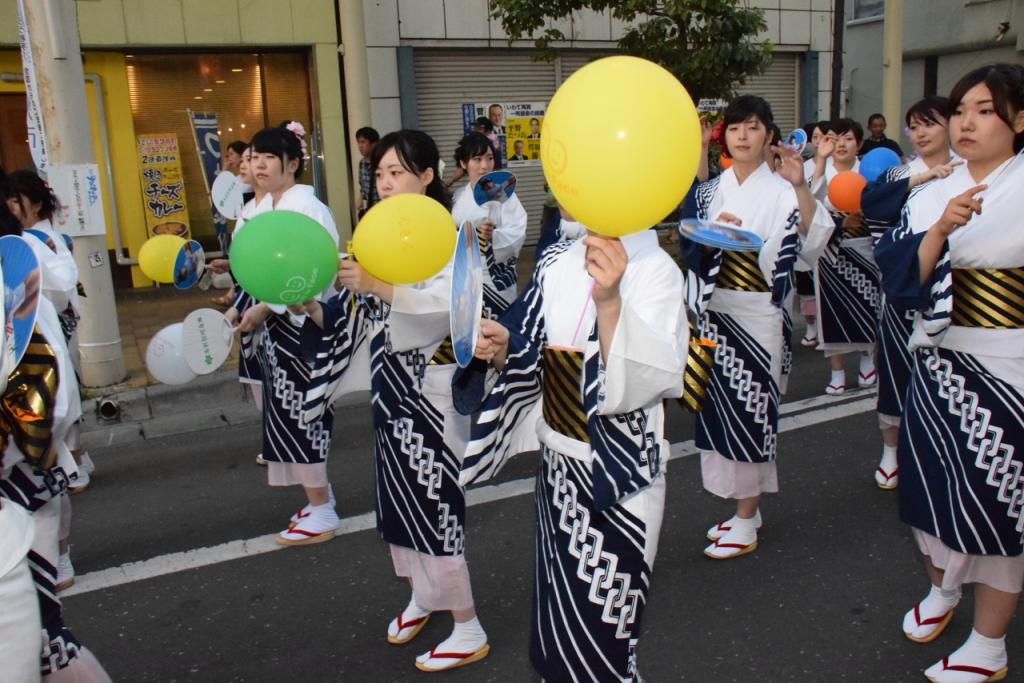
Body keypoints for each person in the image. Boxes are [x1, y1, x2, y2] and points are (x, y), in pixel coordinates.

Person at [452, 176, 687, 679]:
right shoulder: (558, 260)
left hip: (620, 475)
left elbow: (655, 375)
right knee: (558, 626)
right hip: (559, 463)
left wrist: (610, 302)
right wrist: (503, 348)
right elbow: (528, 341)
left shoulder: (656, 269)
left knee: (607, 631)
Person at [302, 129, 488, 673]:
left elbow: (457, 311)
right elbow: (353, 320)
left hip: (432, 395)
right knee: (397, 504)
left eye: (398, 173)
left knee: (434, 504)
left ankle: (467, 622)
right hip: (390, 391)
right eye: (380, 174)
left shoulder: (455, 235)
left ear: (428, 176)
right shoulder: (374, 236)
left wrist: (381, 287)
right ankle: (422, 594)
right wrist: (311, 306)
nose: (386, 183)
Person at [875, 62, 1024, 683]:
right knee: (928, 489)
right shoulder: (934, 187)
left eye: (984, 110)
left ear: (1019, 121)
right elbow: (896, 270)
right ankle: (943, 589)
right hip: (936, 364)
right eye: (960, 108)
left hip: (1008, 367)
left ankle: (989, 644)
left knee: (997, 499)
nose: (965, 121)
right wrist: (938, 228)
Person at [680, 95, 833, 560]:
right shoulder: (711, 191)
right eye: (734, 129)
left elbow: (813, 244)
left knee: (751, 414)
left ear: (769, 135)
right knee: (716, 415)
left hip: (758, 314)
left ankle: (747, 517)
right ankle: (744, 507)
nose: (742, 136)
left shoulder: (786, 188)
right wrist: (711, 241)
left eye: (752, 128)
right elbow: (690, 250)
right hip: (713, 312)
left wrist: (802, 186)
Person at [230, 121, 343, 545]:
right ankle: (317, 498)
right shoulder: (267, 207)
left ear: (293, 163)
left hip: (302, 328)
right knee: (284, 417)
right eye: (254, 157)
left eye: (268, 157)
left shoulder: (306, 208)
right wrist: (245, 306)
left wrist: (264, 307)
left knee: (302, 418)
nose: (258, 165)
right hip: (277, 330)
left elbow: (318, 271)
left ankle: (323, 508)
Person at [861, 96, 961, 491]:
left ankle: (940, 452)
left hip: (953, 295)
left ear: (949, 126)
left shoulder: (969, 171)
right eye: (913, 126)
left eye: (929, 124)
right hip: (902, 292)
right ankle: (891, 449)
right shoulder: (898, 174)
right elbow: (871, 204)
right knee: (896, 374)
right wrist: (924, 177)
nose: (920, 133)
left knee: (948, 383)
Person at [807, 118, 878, 395]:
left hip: (864, 248)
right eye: (835, 138)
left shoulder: (869, 171)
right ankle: (836, 370)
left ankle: (866, 358)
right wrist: (838, 224)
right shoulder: (819, 171)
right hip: (830, 250)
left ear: (859, 143)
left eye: (848, 138)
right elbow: (809, 206)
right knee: (831, 311)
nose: (842, 144)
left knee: (866, 306)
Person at [451, 132, 527, 317]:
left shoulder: (502, 194)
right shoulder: (458, 196)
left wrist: (493, 236)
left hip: (493, 274)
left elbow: (517, 228)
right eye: (477, 159)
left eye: (489, 158)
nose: (484, 166)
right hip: (463, 274)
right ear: (463, 163)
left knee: (496, 329)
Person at [355, 126, 380, 218]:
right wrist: (360, 198)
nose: (360, 146)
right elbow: (363, 186)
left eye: (363, 142)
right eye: (358, 142)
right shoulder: (362, 164)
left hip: (384, 209)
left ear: (373, 143)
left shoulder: (382, 163)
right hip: (370, 211)